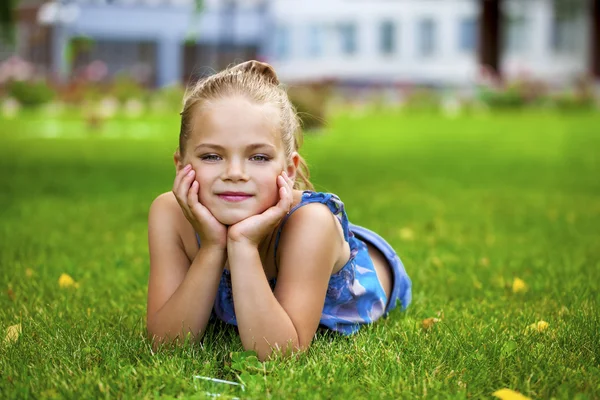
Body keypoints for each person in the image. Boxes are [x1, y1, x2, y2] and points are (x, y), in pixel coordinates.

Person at [146, 60, 411, 361]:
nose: (234, 173)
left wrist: (243, 244)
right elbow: (165, 344)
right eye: (211, 156)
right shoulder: (169, 213)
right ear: (181, 165)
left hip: (356, 270)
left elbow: (279, 354)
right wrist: (212, 246)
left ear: (288, 169)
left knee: (321, 240)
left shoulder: (311, 223)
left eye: (258, 157)